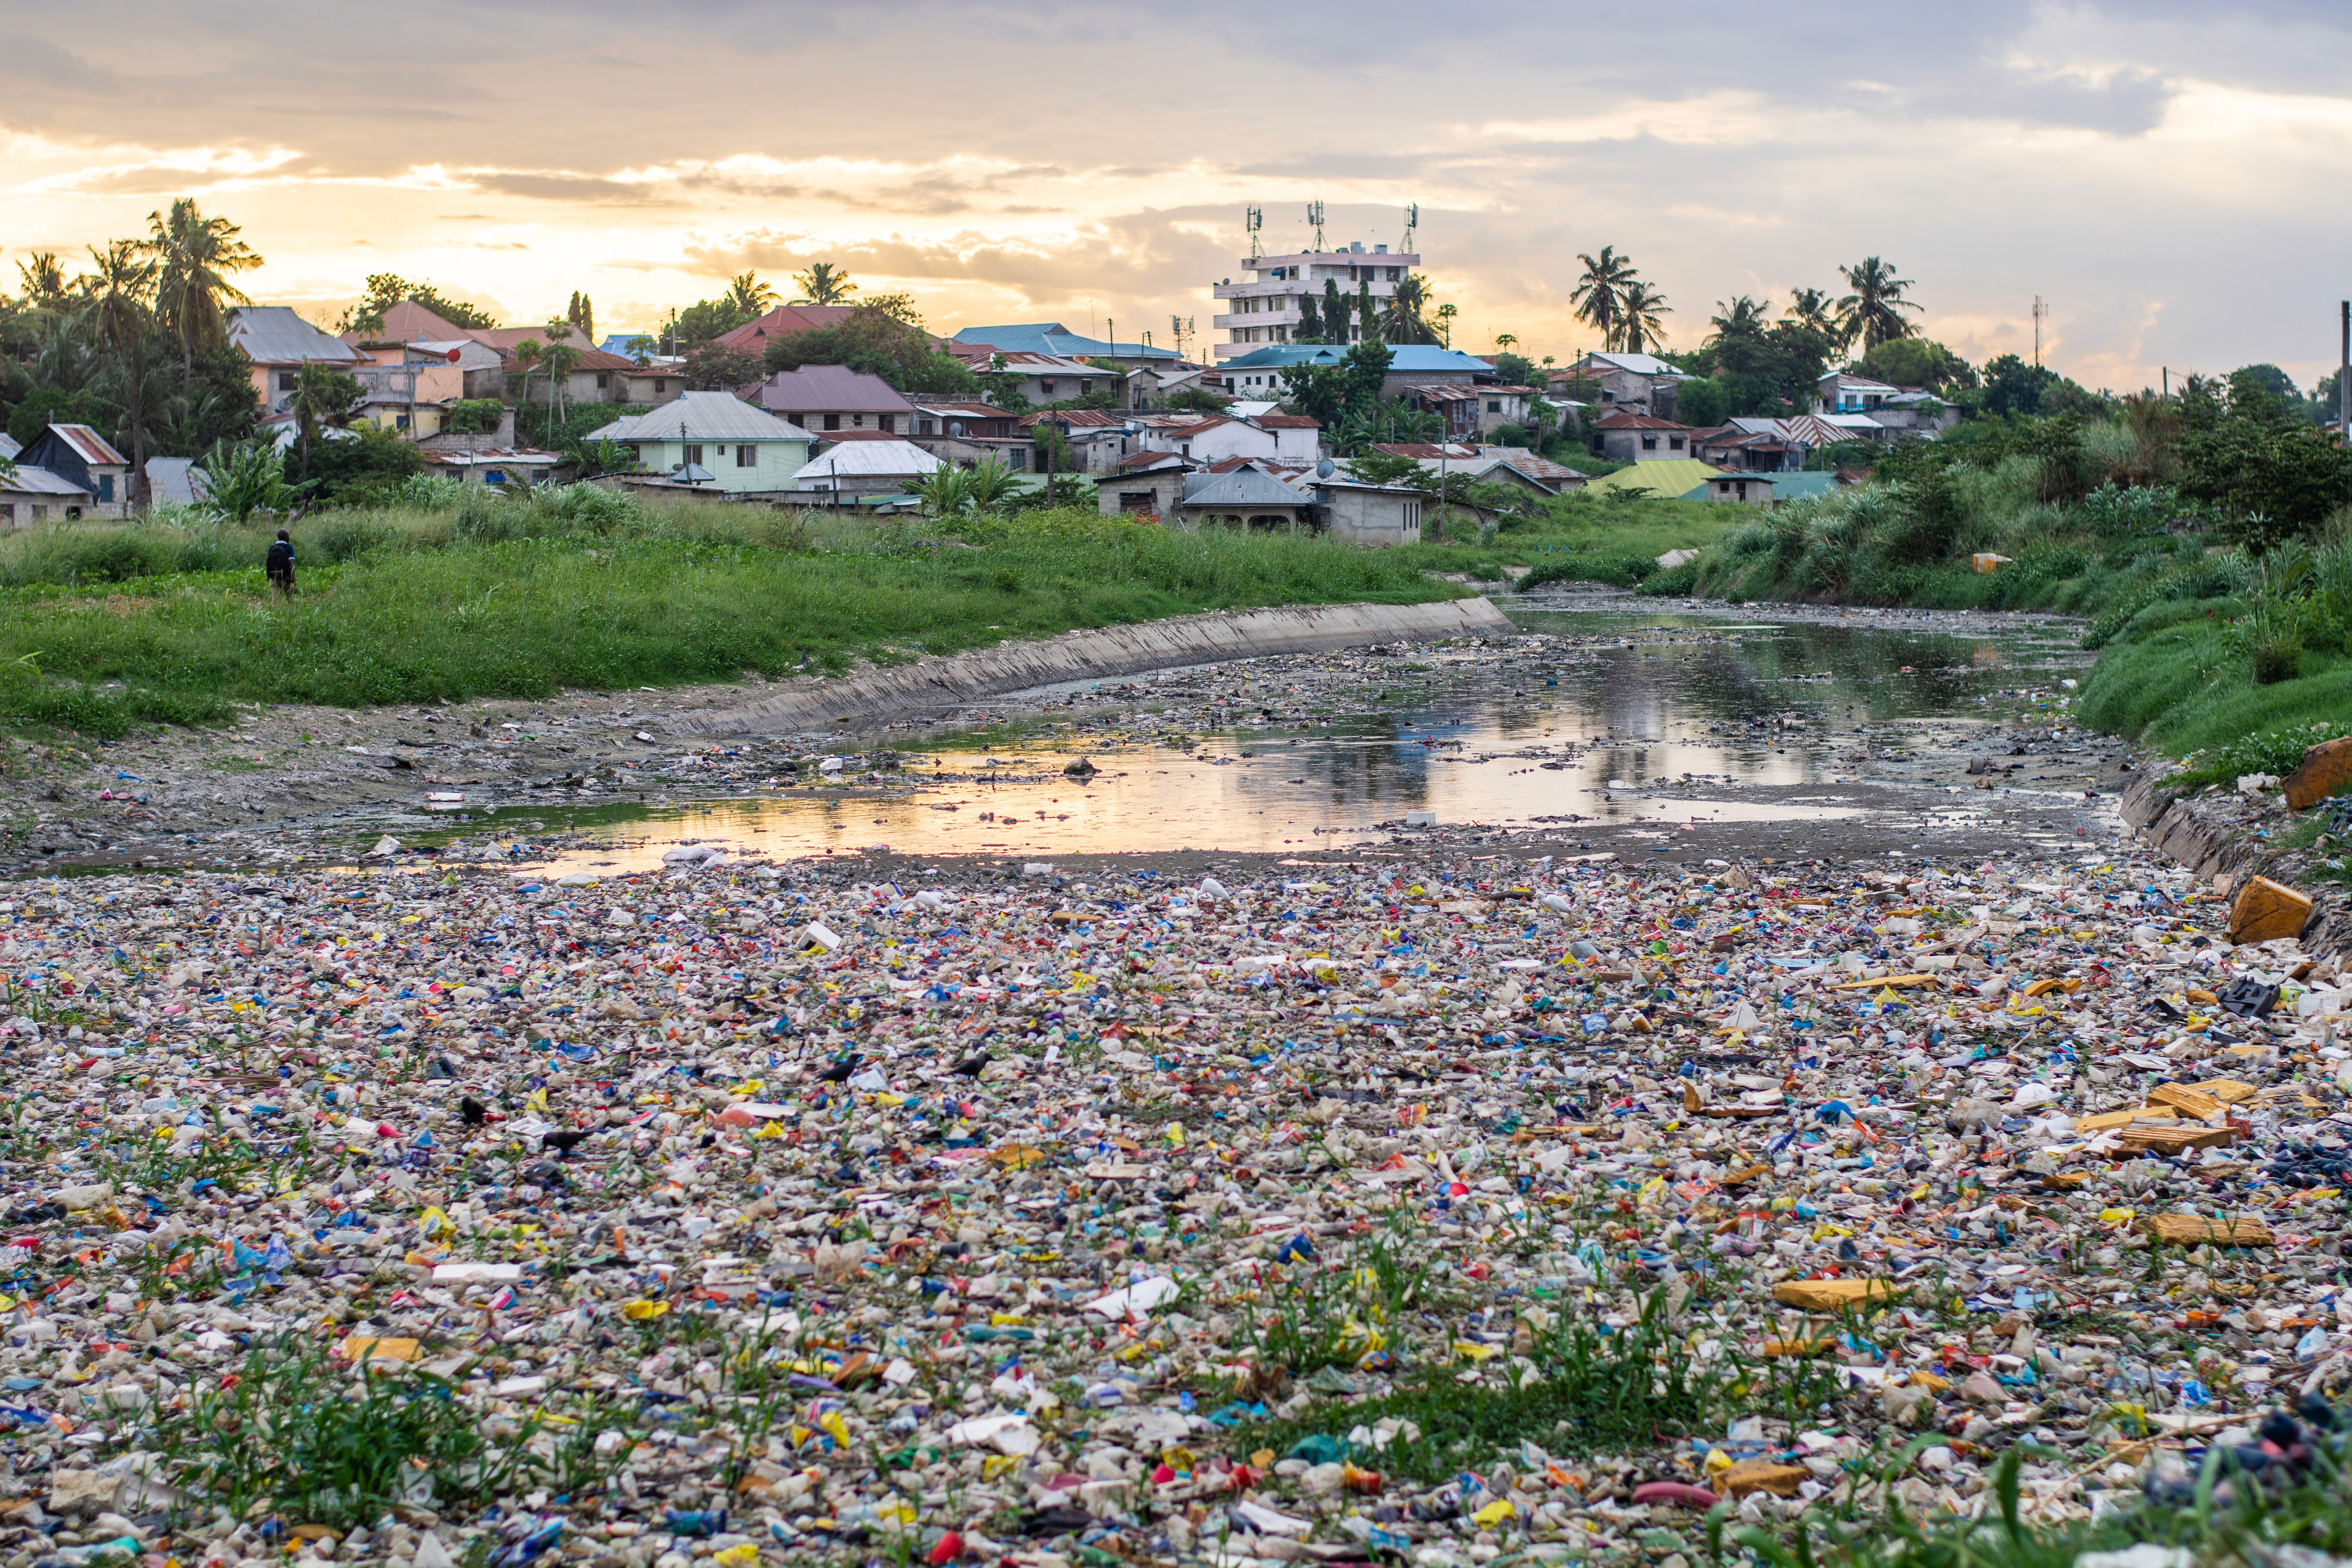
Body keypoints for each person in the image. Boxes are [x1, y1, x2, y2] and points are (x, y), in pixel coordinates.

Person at [265, 529, 296, 599]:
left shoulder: (271, 548)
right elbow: (291, 564)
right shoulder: (289, 548)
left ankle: (276, 610)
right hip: (286, 578)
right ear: (287, 537)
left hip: (274, 578)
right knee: (291, 600)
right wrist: (294, 579)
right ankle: (292, 610)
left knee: (275, 602)